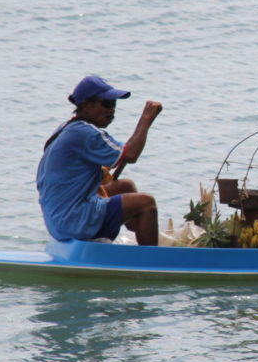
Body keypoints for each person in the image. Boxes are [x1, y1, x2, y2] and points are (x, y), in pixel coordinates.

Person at [37, 75, 163, 245]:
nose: (111, 110)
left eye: (114, 104)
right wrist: (146, 119)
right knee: (146, 203)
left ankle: (140, 229)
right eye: (106, 104)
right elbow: (131, 154)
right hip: (75, 222)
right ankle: (152, 263)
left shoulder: (65, 128)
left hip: (57, 222)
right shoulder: (85, 133)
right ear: (88, 105)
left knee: (126, 187)